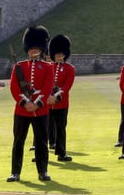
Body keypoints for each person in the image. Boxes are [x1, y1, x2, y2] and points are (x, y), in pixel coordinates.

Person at [8, 26, 53, 182]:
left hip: (40, 110)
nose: (33, 51)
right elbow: (14, 87)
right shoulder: (18, 66)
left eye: (36, 48)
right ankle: (15, 172)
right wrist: (25, 102)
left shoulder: (48, 67)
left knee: (41, 141)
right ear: (27, 48)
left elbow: (47, 87)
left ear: (41, 49)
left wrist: (37, 103)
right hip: (22, 110)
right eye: (31, 48)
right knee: (18, 140)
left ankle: (43, 171)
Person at [47, 34, 75, 163]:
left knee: (61, 128)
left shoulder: (70, 69)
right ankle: (41, 153)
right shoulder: (48, 67)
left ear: (65, 54)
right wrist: (48, 97)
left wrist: (55, 97)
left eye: (61, 54)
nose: (59, 56)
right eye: (57, 54)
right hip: (47, 103)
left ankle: (61, 153)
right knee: (43, 129)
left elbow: (66, 86)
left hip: (61, 103)